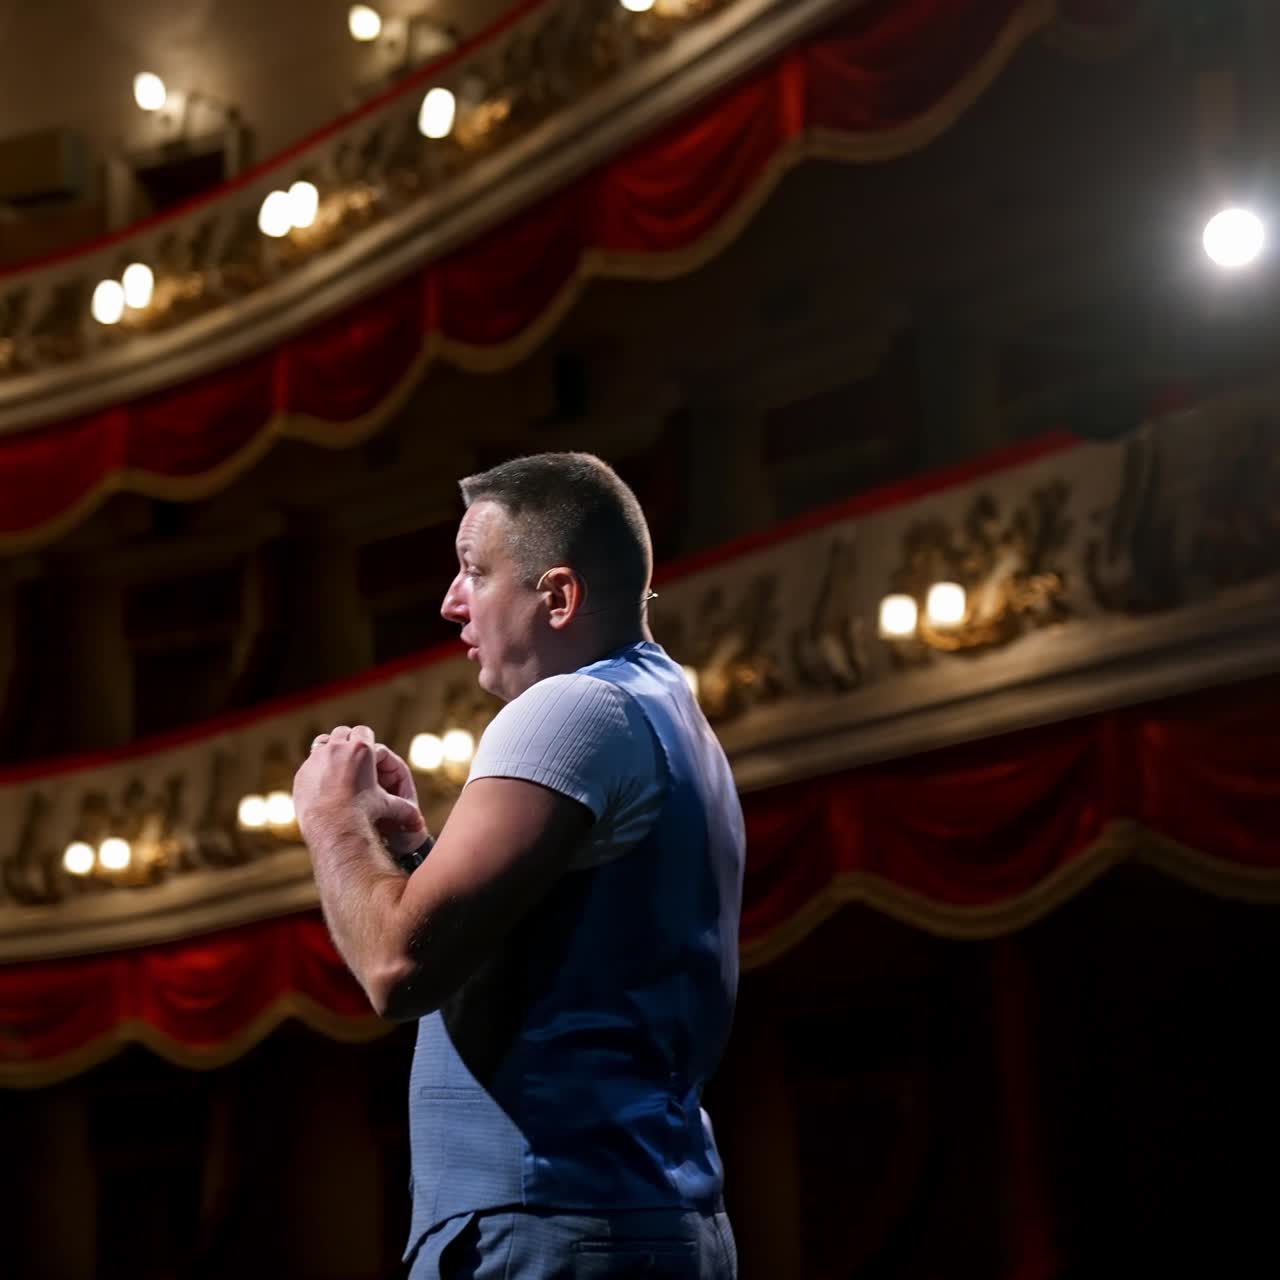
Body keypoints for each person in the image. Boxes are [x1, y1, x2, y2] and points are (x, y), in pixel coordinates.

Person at [293, 452, 745, 1278]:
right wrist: (408, 855)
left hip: (556, 1224)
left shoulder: (571, 708)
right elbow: (526, 950)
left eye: (473, 570)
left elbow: (398, 965)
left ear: (560, 596)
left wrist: (330, 821)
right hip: (634, 1215)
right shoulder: (665, 707)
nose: (450, 601)